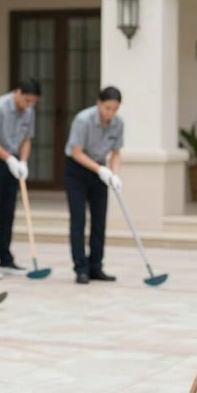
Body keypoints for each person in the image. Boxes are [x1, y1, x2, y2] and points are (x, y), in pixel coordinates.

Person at [0, 78, 41, 279]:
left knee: (8, 212)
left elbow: (26, 139)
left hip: (12, 163)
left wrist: (22, 161)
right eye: (26, 100)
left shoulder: (29, 111)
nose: (28, 105)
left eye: (33, 102)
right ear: (18, 93)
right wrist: (8, 159)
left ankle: (6, 259)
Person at [64, 86, 124, 284]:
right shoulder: (83, 120)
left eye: (115, 109)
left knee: (99, 221)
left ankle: (96, 267)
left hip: (100, 171)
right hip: (77, 170)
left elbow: (116, 152)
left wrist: (114, 175)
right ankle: (81, 268)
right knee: (78, 219)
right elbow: (76, 152)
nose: (110, 113)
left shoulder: (118, 124)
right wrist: (100, 170)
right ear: (99, 103)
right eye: (107, 108)